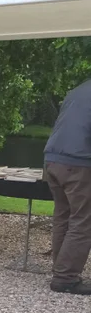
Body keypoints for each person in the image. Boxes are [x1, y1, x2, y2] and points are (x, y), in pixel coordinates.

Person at [43, 78, 91, 295]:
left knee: (63, 216)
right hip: (78, 163)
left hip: (52, 160)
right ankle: (65, 277)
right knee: (83, 221)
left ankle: (61, 270)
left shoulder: (77, 91)